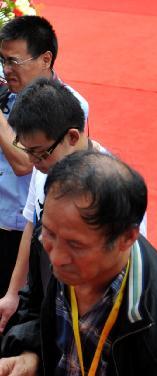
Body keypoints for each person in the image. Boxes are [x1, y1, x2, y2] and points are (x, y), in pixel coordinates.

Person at [0, 151, 157, 375]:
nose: (56, 258)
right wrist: (31, 355)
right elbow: (36, 305)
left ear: (126, 238)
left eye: (76, 246)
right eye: (49, 233)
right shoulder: (57, 231)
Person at [0, 16, 88, 315]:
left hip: (27, 235)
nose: (6, 70)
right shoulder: (6, 96)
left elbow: (26, 163)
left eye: (13, 61)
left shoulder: (69, 105)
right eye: (2, 61)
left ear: (45, 59)